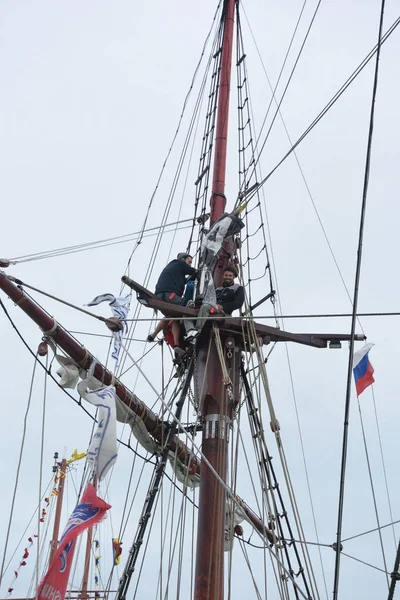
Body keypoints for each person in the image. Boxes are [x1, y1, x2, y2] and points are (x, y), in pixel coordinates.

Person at [147, 253, 197, 356]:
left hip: (159, 296)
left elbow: (184, 279)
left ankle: (156, 336)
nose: (190, 264)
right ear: (183, 259)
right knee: (184, 309)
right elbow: (193, 272)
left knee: (173, 315)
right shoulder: (179, 263)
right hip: (169, 295)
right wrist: (200, 272)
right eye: (189, 261)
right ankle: (190, 332)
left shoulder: (173, 268)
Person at [184, 266, 244, 340]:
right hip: (212, 307)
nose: (227, 277)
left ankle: (197, 331)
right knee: (187, 307)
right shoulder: (218, 289)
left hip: (223, 312)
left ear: (234, 276)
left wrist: (223, 307)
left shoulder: (238, 288)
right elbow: (209, 298)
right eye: (226, 275)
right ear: (223, 276)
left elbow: (238, 303)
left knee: (205, 306)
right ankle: (190, 330)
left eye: (230, 276)